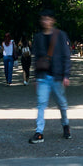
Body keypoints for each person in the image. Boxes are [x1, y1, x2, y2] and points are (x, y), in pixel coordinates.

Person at [30, 9, 72, 142]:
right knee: (41, 103)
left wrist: (66, 75)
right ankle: (39, 132)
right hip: (43, 76)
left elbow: (66, 56)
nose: (45, 21)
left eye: (48, 19)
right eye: (43, 19)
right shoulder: (37, 37)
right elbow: (36, 58)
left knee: (61, 103)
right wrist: (35, 77)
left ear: (53, 20)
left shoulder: (60, 35)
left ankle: (65, 125)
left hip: (57, 76)